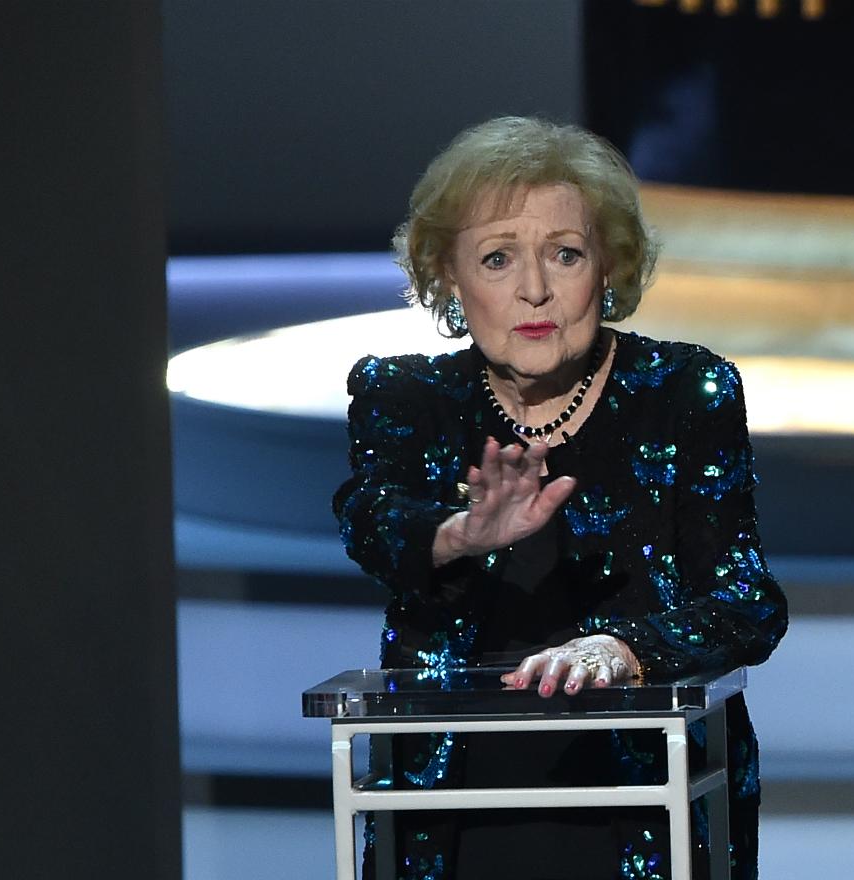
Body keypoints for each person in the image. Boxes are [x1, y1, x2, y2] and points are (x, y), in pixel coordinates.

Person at [333, 116, 787, 880]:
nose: (534, 289)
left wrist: (624, 652)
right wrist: (459, 535)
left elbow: (748, 602)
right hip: (454, 805)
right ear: (449, 276)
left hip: (642, 800)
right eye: (498, 258)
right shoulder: (405, 394)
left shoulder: (684, 391)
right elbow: (370, 520)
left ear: (608, 266)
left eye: (565, 254)